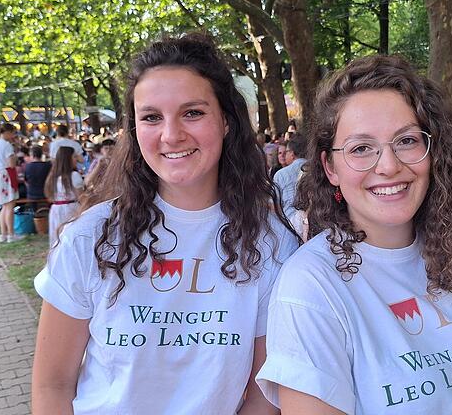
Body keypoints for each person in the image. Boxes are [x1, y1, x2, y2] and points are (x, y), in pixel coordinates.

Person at [31, 34, 300, 415]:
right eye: (152, 117)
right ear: (134, 128)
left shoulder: (271, 245)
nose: (171, 135)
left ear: (225, 120)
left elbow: (262, 396)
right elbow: (52, 385)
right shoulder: (90, 238)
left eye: (193, 112)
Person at [256, 55, 452, 414]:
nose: (389, 166)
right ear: (330, 167)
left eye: (406, 141)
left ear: (433, 150)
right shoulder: (311, 286)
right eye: (361, 148)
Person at [44, 147, 83, 246]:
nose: (76, 159)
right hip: (71, 208)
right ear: (68, 159)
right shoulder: (74, 176)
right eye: (74, 157)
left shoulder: (52, 177)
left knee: (57, 237)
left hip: (55, 210)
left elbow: (49, 196)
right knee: (70, 236)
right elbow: (81, 197)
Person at [0, 123, 22, 243]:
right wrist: (15, 157)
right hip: (7, 174)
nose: (13, 135)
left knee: (4, 206)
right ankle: (11, 234)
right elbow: (11, 164)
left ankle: (3, 234)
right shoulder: (7, 145)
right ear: (8, 132)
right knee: (10, 205)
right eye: (13, 133)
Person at [273, 133, 307, 233]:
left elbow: (277, 205)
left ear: (292, 154)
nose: (284, 155)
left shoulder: (281, 174)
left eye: (286, 152)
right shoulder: (317, 169)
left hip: (289, 227)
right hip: (316, 224)